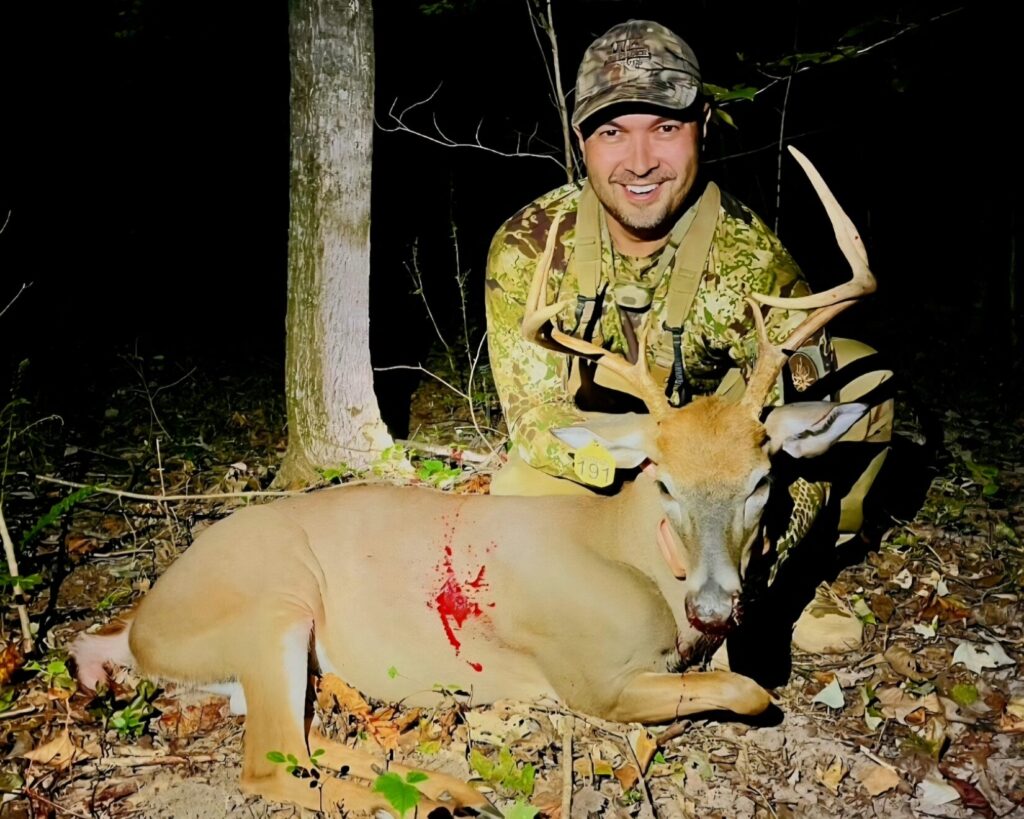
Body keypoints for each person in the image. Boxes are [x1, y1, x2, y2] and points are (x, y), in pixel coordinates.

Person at [484, 20, 891, 549]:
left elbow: (800, 454)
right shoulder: (529, 245)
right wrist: (651, 478)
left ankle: (809, 573)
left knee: (862, 380)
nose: (640, 162)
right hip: (624, 450)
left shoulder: (755, 262)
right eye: (612, 132)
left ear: (701, 125)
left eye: (665, 128)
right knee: (517, 491)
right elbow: (535, 417)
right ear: (581, 139)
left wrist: (755, 549)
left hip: (725, 454)